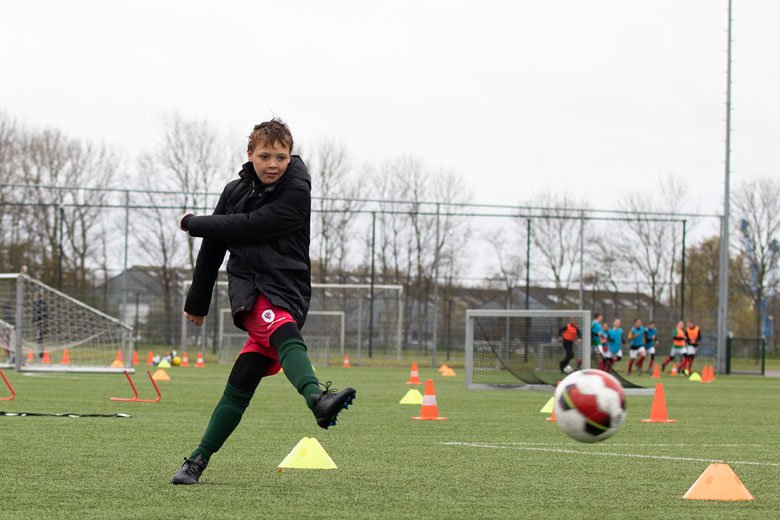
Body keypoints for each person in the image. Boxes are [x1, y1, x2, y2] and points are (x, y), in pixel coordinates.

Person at [171, 119, 356, 485]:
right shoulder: (234, 190)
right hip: (251, 289)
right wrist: (198, 300)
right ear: (250, 154)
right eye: (265, 156)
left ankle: (197, 459)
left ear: (291, 156)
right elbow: (214, 248)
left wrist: (193, 222)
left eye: (281, 157)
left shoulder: (297, 189)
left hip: (288, 288)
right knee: (278, 330)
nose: (273, 164)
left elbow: (250, 225)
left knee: (242, 380)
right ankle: (316, 398)